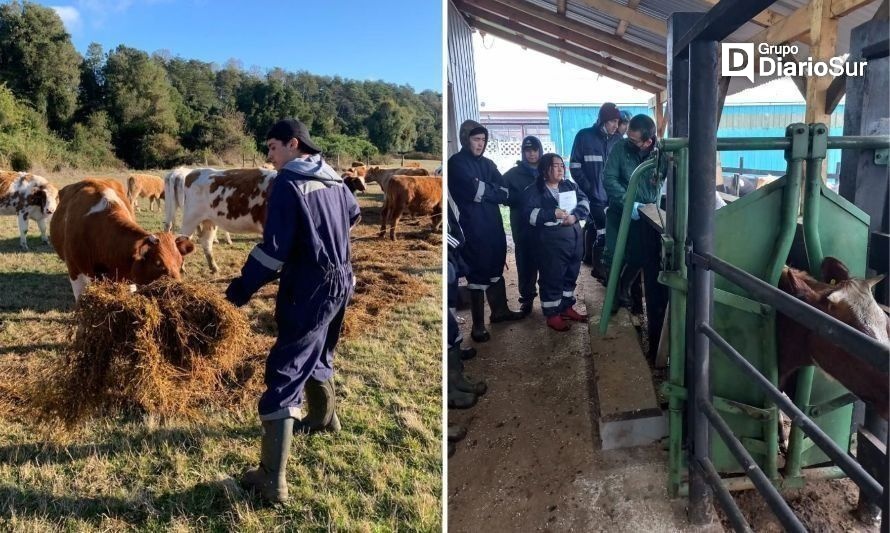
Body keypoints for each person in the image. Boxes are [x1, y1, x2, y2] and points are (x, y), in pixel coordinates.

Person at [225, 118, 360, 503]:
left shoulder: (288, 182)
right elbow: (353, 216)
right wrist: (325, 235)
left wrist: (240, 289)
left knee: (286, 365)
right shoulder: (333, 176)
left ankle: (271, 479)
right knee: (320, 349)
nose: (269, 156)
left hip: (309, 282)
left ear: (294, 144)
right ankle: (324, 418)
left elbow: (272, 252)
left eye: (272, 147)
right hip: (342, 278)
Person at [448, 120, 523, 343]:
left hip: (493, 222)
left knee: (496, 263)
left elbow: (504, 192)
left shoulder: (489, 163)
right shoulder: (456, 163)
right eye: (475, 139)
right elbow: (471, 189)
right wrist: (489, 190)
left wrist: (484, 189)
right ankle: (478, 326)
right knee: (478, 269)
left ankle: (500, 311)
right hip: (473, 224)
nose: (480, 144)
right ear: (465, 139)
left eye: (483, 140)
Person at [602, 114, 667, 312]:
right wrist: (628, 203)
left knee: (640, 255)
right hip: (619, 211)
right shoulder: (620, 148)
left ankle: (624, 286)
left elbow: (674, 176)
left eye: (633, 139)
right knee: (613, 254)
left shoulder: (662, 154)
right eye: (628, 136)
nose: (628, 141)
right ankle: (612, 297)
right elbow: (609, 178)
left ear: (648, 141)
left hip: (645, 214)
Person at [523, 153, 590, 331]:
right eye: (556, 165)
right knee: (552, 277)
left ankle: (566, 307)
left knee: (570, 275)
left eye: (562, 165)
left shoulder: (569, 185)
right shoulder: (535, 190)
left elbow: (585, 201)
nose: (561, 169)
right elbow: (529, 215)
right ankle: (552, 314)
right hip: (550, 242)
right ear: (545, 169)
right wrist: (552, 214)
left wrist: (575, 216)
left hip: (574, 238)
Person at [569, 103, 622, 283]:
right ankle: (601, 272)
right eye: (613, 121)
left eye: (618, 121)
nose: (616, 125)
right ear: (603, 120)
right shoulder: (584, 137)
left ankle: (600, 268)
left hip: (614, 198)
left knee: (608, 233)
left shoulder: (618, 140)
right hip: (595, 197)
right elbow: (574, 166)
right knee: (603, 232)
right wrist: (589, 188)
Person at [502, 135, 543, 315]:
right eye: (528, 151)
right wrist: (517, 199)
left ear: (540, 151)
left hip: (545, 226)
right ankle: (527, 299)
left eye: (534, 150)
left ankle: (550, 299)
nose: (532, 154)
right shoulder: (512, 174)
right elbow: (501, 194)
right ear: (523, 152)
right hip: (523, 226)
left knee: (548, 263)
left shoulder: (547, 169)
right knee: (525, 264)